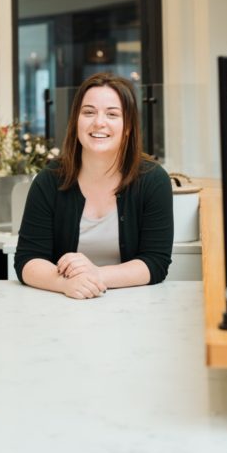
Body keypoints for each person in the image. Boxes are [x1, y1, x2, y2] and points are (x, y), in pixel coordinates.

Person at [14, 72, 174, 299]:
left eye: (112, 114)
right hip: (64, 307)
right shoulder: (49, 180)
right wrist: (65, 284)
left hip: (134, 309)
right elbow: (27, 260)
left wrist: (96, 274)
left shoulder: (153, 180)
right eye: (88, 112)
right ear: (76, 121)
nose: (99, 122)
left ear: (128, 126)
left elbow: (155, 262)